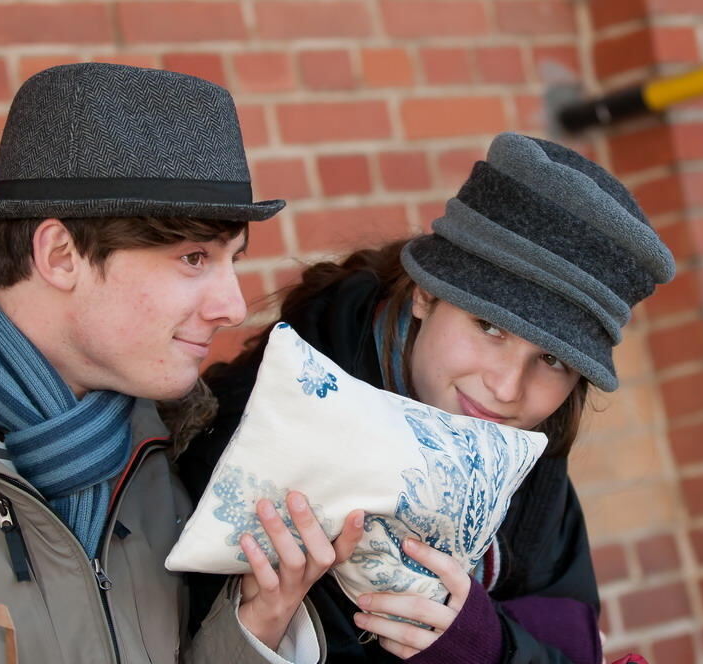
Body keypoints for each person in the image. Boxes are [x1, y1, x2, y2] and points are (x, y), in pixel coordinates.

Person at [179, 132, 676, 662]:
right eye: (489, 326)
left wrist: (490, 647)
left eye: (552, 360)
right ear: (426, 294)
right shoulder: (255, 435)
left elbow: (575, 644)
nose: (506, 388)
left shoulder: (527, 458)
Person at [0, 63, 362, 664]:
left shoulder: (160, 450)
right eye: (193, 258)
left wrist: (258, 621)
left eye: (233, 258)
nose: (233, 306)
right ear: (59, 254)